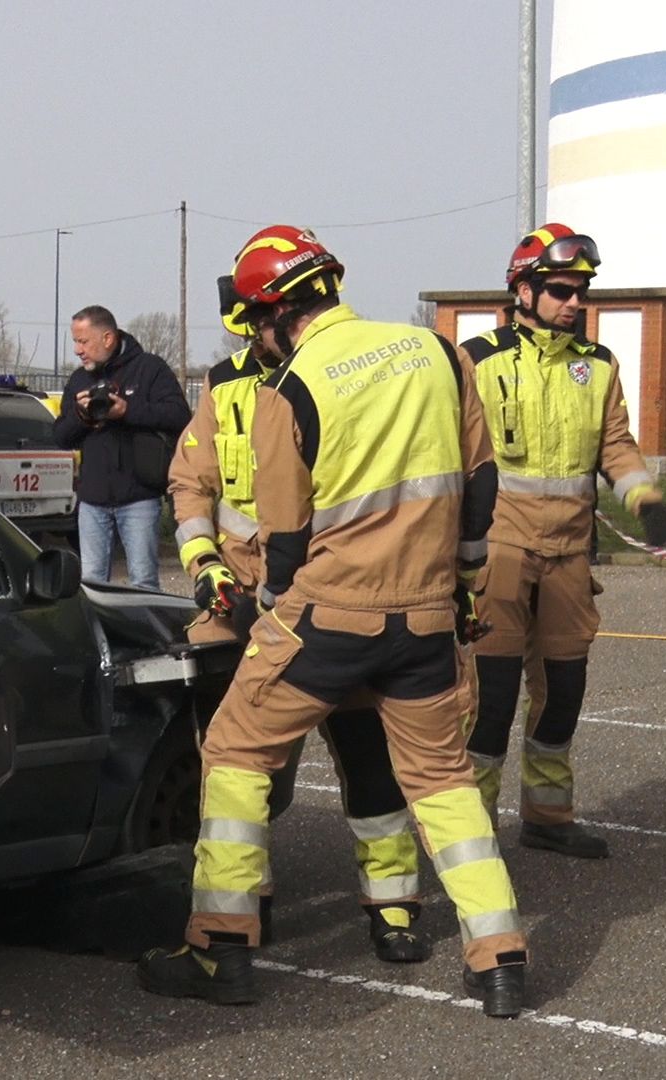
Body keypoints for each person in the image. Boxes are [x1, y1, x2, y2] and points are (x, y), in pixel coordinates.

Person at [137, 226, 527, 1017]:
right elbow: (481, 490)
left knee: (236, 750)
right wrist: (463, 585)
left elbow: (285, 532)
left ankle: (222, 949)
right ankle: (500, 957)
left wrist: (276, 610)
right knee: (445, 784)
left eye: (256, 321)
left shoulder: (291, 387)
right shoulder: (439, 353)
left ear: (276, 312)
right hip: (424, 619)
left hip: (328, 615)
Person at [167, 274, 432, 963]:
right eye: (244, 329)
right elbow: (190, 485)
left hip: (327, 596)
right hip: (239, 602)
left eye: (259, 324)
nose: (254, 339)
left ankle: (394, 907)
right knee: (235, 765)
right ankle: (246, 905)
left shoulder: (334, 373)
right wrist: (205, 567)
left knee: (370, 759)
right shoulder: (222, 385)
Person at [455, 223, 666, 860]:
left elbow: (616, 446)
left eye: (581, 290)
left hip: (568, 556)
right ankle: (471, 834)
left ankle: (548, 818)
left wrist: (646, 499)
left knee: (563, 693)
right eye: (559, 290)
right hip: (498, 554)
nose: (574, 302)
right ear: (522, 291)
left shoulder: (598, 366)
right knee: (492, 701)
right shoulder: (477, 360)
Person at [53, 305, 190, 589]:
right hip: (92, 502)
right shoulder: (79, 380)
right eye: (75, 342)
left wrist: (127, 411)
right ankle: (98, 634)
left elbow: (179, 417)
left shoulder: (150, 369)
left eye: (83, 341)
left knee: (143, 582)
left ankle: (147, 634)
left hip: (139, 498)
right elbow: (60, 436)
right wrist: (82, 417)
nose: (78, 350)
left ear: (107, 338)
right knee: (91, 585)